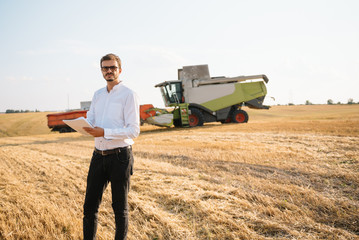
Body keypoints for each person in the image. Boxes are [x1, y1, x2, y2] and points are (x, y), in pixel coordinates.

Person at [82, 53, 140, 240]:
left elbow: (133, 131)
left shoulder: (129, 95)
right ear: (101, 71)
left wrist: (104, 132)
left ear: (119, 70)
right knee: (89, 207)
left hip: (120, 157)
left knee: (119, 208)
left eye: (112, 68)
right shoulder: (98, 94)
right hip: (98, 156)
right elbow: (91, 119)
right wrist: (81, 124)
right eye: (105, 68)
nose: (109, 71)